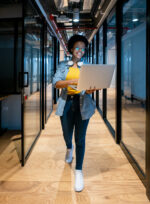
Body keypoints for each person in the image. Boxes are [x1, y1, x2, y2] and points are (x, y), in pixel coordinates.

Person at [53, 35, 97, 192]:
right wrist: (72, 81)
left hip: (83, 103)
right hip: (66, 103)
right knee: (66, 132)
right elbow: (56, 83)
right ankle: (68, 147)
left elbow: (89, 89)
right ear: (71, 49)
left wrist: (93, 88)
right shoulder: (63, 65)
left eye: (83, 48)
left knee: (80, 138)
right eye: (77, 47)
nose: (80, 51)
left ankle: (79, 170)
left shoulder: (88, 66)